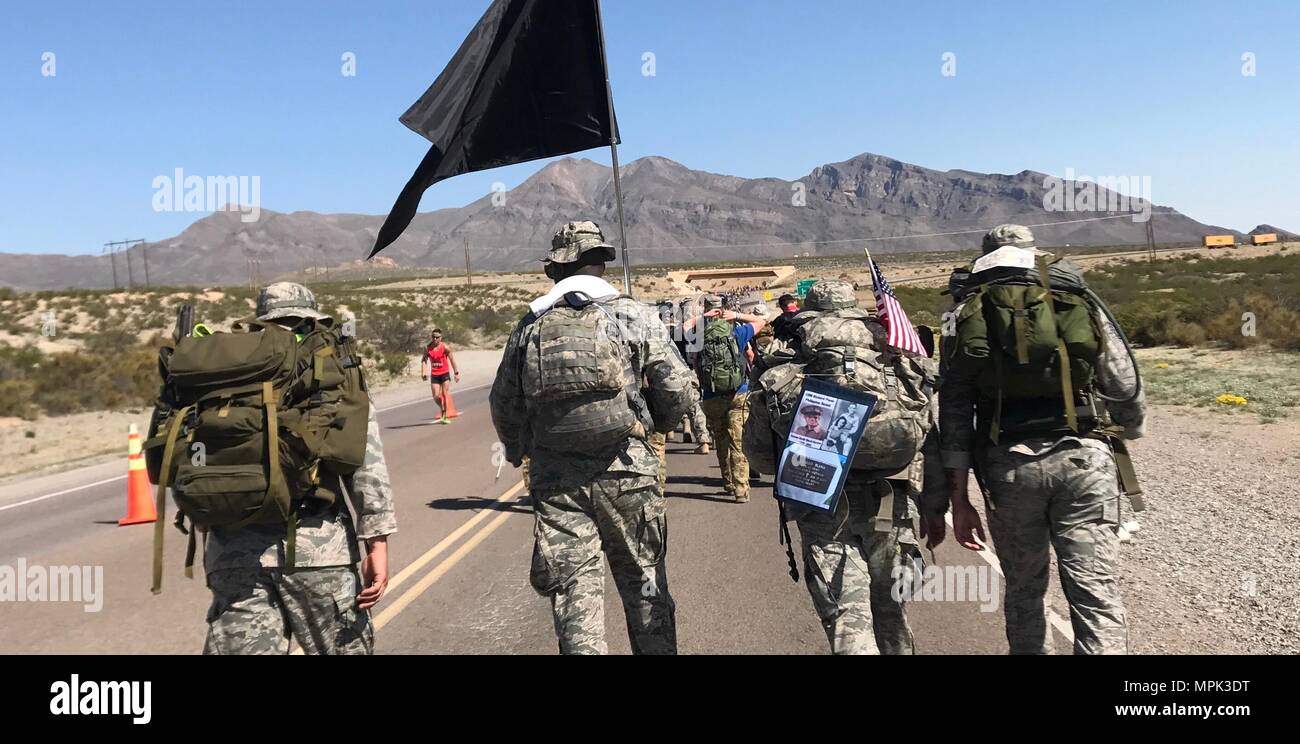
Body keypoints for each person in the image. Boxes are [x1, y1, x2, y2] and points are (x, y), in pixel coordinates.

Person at [489, 220, 699, 655]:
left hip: (557, 480)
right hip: (628, 472)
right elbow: (676, 388)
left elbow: (504, 403)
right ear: (601, 262)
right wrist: (653, 426)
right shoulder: (634, 314)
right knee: (645, 587)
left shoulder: (530, 324)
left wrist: (518, 449)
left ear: (556, 269)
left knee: (574, 598)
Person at [938, 224, 1145, 655]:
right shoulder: (1073, 297)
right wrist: (1126, 430)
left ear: (985, 256)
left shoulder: (963, 315)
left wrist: (958, 499)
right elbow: (1125, 385)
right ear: (1033, 252)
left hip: (1009, 469)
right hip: (1085, 460)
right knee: (1095, 594)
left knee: (1025, 590)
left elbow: (955, 413)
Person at [743, 280, 943, 655]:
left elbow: (760, 457)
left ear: (809, 309)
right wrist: (936, 504)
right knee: (892, 610)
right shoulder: (894, 350)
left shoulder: (786, 354)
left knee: (847, 618)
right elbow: (928, 431)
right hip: (892, 498)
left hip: (820, 502)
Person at [202, 282, 396, 655]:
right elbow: (365, 464)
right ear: (312, 319)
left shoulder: (223, 371)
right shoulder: (331, 370)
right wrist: (377, 541)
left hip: (234, 554)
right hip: (317, 552)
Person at [683, 296, 766, 503]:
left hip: (712, 395)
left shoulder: (699, 336)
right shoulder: (737, 332)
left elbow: (683, 326)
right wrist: (736, 315)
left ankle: (728, 483)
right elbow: (761, 321)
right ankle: (741, 489)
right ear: (724, 310)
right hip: (739, 391)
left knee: (721, 439)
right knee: (738, 441)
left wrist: (703, 317)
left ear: (709, 310)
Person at [421, 328, 460, 424]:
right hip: (435, 374)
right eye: (433, 337)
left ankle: (444, 416)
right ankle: (442, 407)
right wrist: (424, 372)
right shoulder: (428, 348)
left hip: (444, 373)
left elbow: (452, 360)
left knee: (444, 394)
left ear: (440, 338)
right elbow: (424, 360)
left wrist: (456, 373)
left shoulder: (445, 347)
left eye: (437, 337)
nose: (435, 339)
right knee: (435, 396)